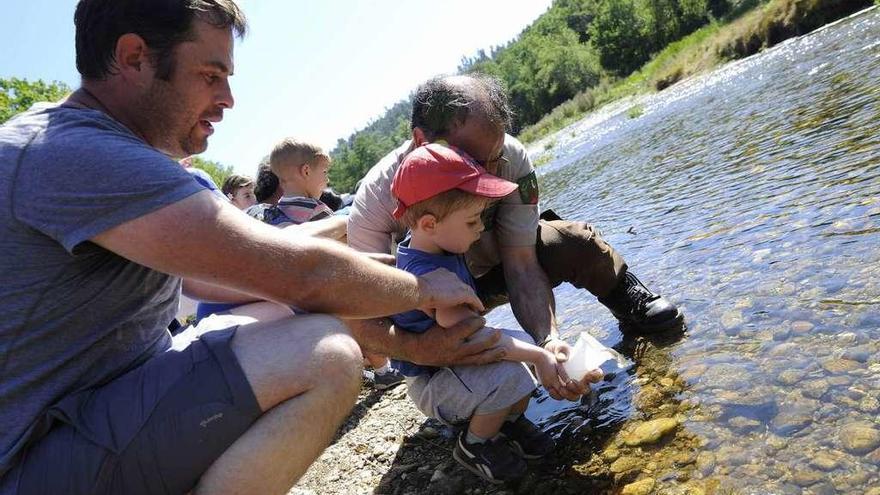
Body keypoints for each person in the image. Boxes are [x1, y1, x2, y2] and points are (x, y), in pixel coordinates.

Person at [0, 2, 491, 494]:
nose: (229, 99)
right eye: (211, 75)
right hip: (33, 461)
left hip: (87, 414)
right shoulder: (76, 153)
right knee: (326, 354)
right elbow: (302, 275)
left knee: (287, 315)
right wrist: (422, 286)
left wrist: (363, 258)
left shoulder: (74, 144)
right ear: (134, 58)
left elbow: (216, 276)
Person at [347, 75, 683, 401]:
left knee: (572, 241)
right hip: (425, 304)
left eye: (495, 158)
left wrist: (548, 342)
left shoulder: (508, 155)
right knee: (464, 365)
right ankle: (468, 407)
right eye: (477, 163)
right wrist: (418, 348)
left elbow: (521, 262)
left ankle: (630, 301)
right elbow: (363, 318)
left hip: (492, 272)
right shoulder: (376, 200)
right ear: (422, 141)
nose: (490, 173)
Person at [390, 143, 598, 483]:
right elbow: (478, 339)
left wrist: (542, 346)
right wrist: (539, 358)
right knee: (514, 373)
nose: (481, 230)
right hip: (433, 385)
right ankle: (476, 443)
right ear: (429, 224)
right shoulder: (432, 279)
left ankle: (508, 424)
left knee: (526, 348)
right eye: (473, 221)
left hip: (450, 368)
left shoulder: (433, 246)